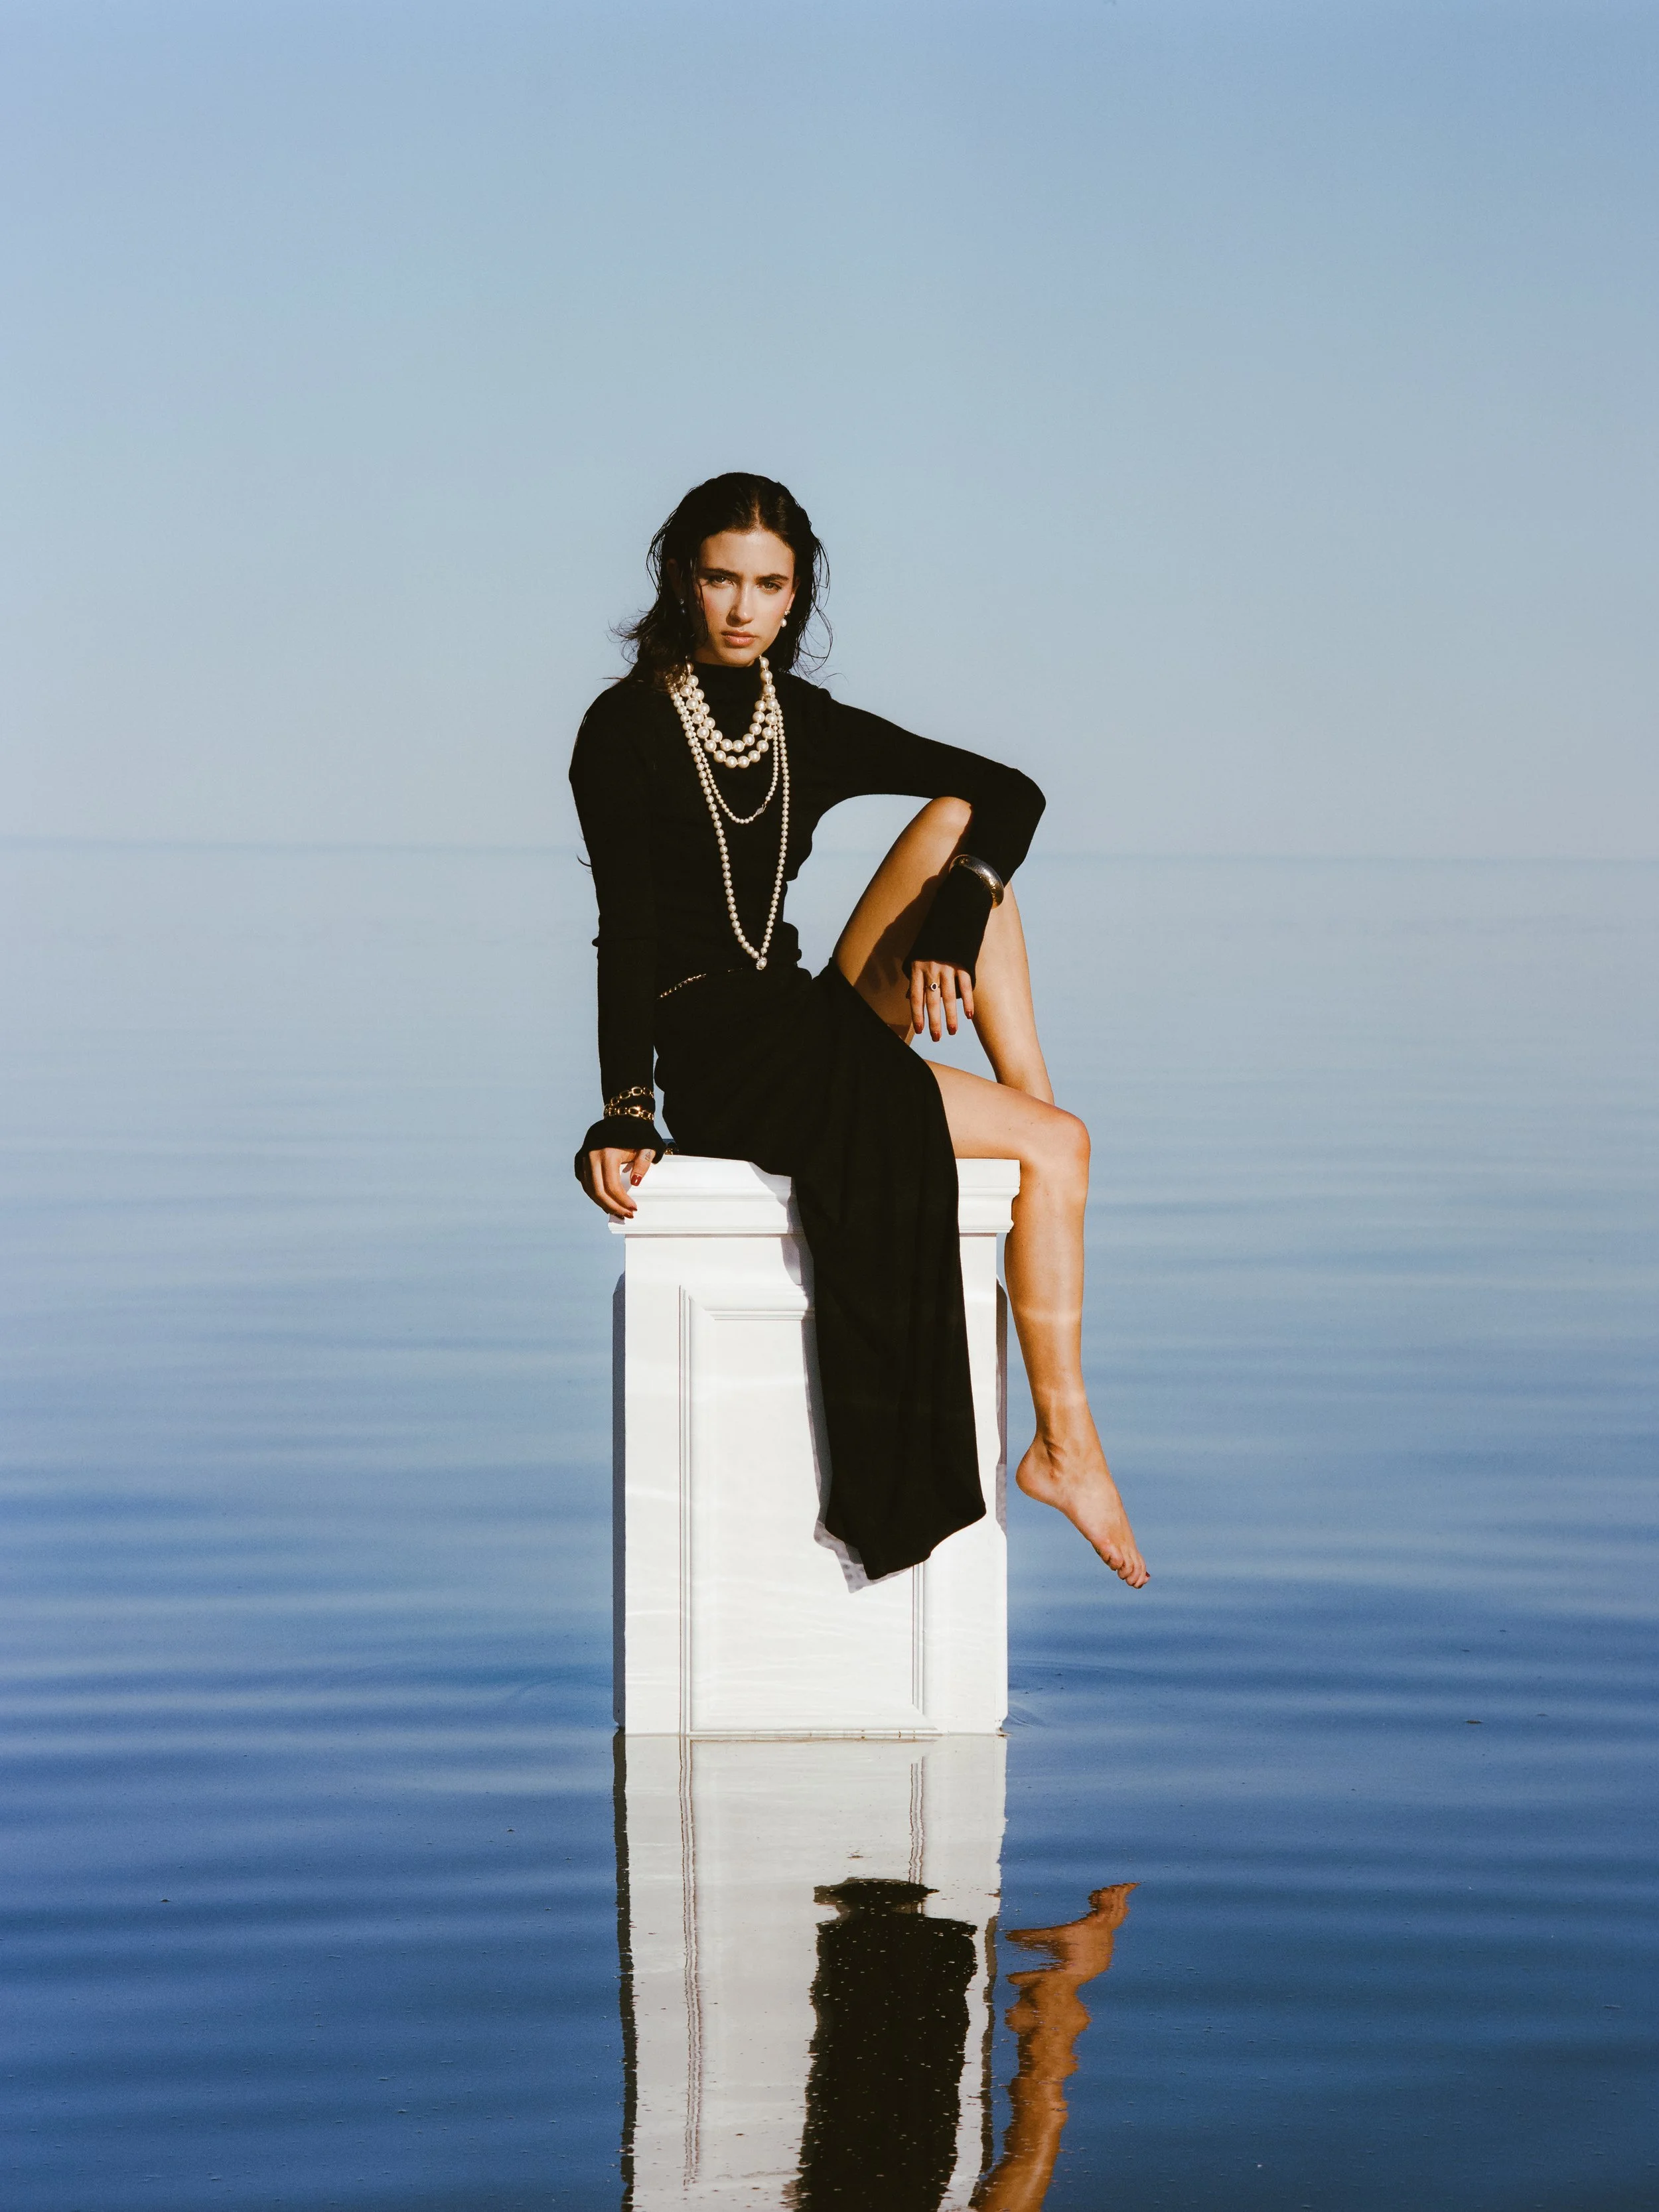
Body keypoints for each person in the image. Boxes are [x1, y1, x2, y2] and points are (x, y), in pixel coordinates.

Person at [571, 472, 1147, 1590]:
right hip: (717, 1045)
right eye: (722, 578)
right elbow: (625, 932)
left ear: (797, 595)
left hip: (801, 1004)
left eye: (770, 585)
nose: (744, 607)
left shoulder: (805, 726)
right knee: (1060, 1144)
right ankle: (1065, 1445)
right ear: (683, 581)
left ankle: (1028, 1114)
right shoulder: (624, 728)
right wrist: (625, 1105)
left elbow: (1009, 790)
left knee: (962, 835)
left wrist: (959, 917)